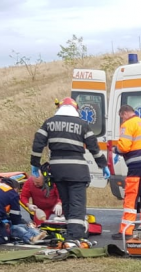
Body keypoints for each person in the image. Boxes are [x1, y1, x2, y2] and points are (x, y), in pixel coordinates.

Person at [30, 97, 108, 243]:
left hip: (58, 170)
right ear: (75, 109)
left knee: (66, 202)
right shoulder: (82, 124)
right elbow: (94, 148)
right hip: (77, 170)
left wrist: (35, 163)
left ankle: (70, 233)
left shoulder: (49, 123)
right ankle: (75, 236)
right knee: (77, 203)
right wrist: (103, 165)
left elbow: (38, 143)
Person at [113, 104, 141, 239]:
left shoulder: (128, 124)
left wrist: (116, 149)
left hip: (137, 165)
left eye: (121, 117)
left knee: (131, 197)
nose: (122, 120)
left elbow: (124, 147)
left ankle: (126, 231)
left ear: (124, 113)